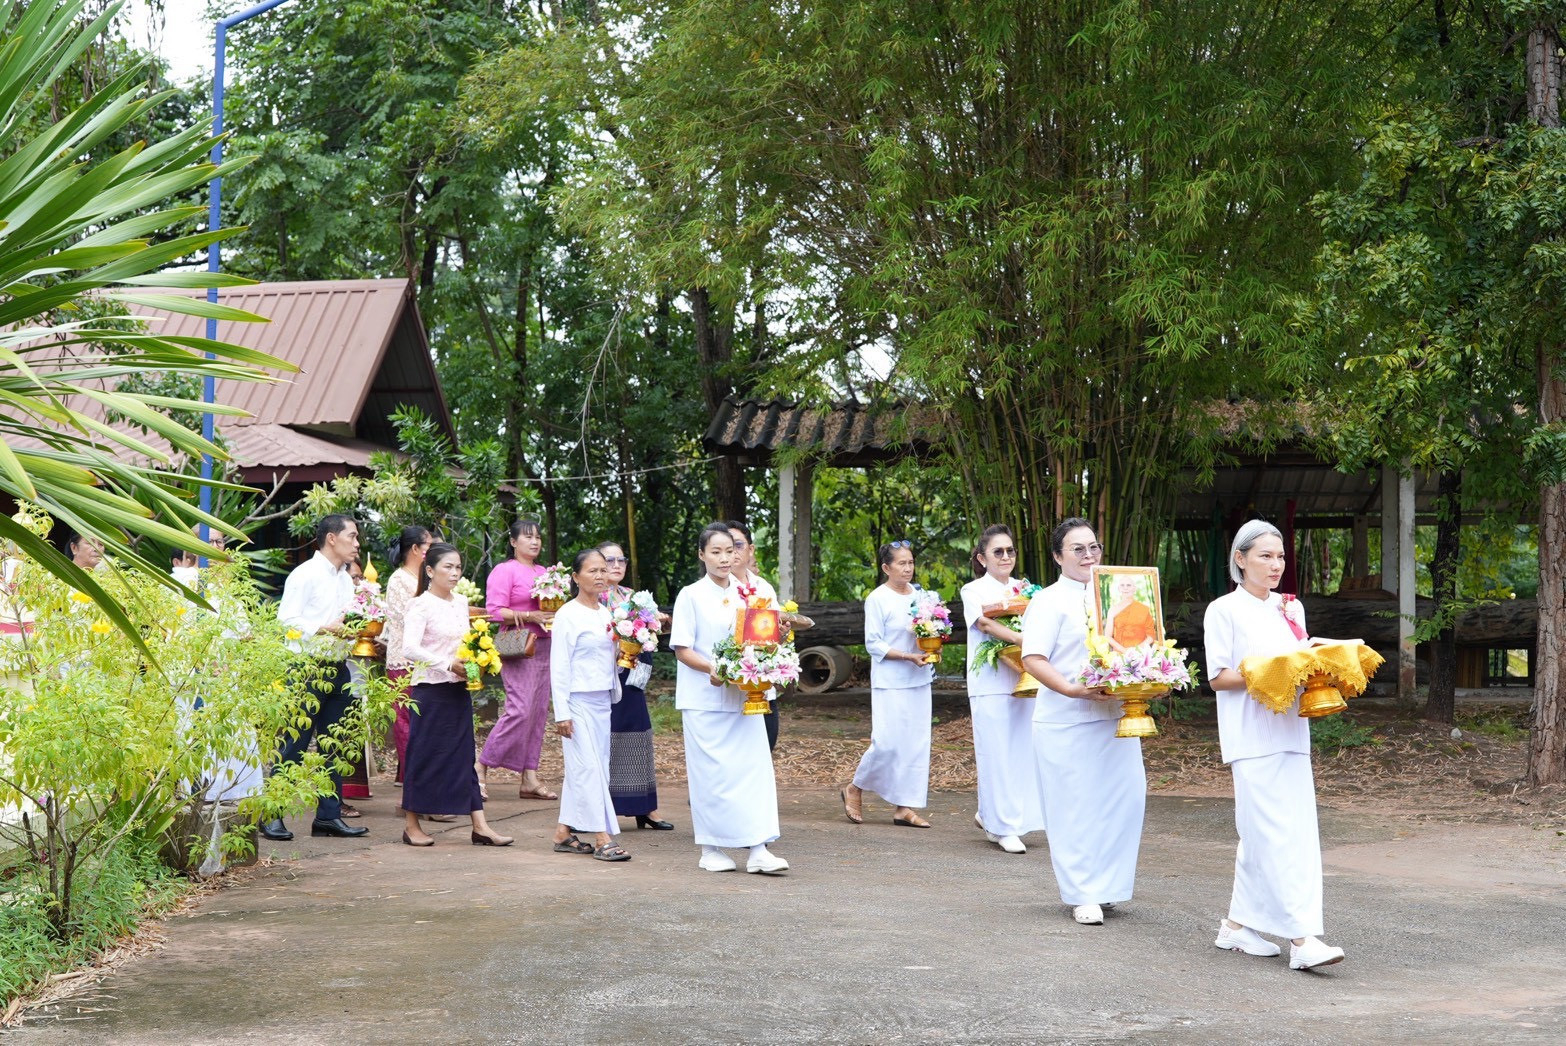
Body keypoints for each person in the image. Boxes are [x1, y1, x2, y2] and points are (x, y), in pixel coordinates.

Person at [1204, 519, 1345, 970]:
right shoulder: (1222, 610)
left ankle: (1235, 926)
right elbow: (1217, 678)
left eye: (1280, 556)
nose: (1275, 564)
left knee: (1279, 834)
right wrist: (1266, 668)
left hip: (1291, 733)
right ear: (1240, 560)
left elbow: (1300, 667)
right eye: (1264, 556)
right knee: (1276, 837)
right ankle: (1303, 941)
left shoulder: (1292, 609)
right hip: (1250, 737)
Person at [1020, 518, 1145, 926]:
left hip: (1116, 715)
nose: (1089, 556)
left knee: (1121, 801)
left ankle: (1107, 887)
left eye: (1094, 547)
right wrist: (1072, 690)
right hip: (1065, 719)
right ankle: (1081, 893)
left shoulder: (1119, 596)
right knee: (1072, 806)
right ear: (1058, 556)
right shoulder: (1049, 601)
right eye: (1078, 549)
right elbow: (1033, 658)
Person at [670, 522, 788, 874]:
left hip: (747, 697)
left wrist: (776, 640)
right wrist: (713, 668)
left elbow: (763, 642)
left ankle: (759, 849)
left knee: (754, 771)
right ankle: (711, 848)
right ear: (702, 555)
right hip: (704, 699)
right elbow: (682, 649)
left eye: (730, 551)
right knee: (712, 775)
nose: (724, 558)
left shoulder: (751, 593)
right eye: (716, 552)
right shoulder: (690, 595)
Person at [260, 515, 369, 841]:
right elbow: (285, 622)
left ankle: (328, 816)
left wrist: (356, 631)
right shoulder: (304, 574)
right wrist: (324, 627)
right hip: (305, 668)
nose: (357, 543)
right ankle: (271, 815)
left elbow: (346, 620)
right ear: (332, 538)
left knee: (335, 745)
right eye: (352, 536)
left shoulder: (345, 580)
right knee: (293, 744)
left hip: (339, 666)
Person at [398, 542, 513, 848]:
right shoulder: (419, 605)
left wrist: (479, 660)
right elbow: (409, 648)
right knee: (423, 756)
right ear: (430, 570)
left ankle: (480, 825)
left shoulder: (460, 602)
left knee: (465, 756)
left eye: (458, 567)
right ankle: (411, 825)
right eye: (448, 567)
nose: (454, 573)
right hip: (429, 691)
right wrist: (447, 663)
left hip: (458, 689)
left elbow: (469, 641)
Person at [960, 524, 1045, 854]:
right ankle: (1002, 827)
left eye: (1010, 550)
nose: (1006, 556)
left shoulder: (1025, 589)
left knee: (1021, 752)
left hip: (1025, 679)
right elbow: (984, 623)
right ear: (982, 558)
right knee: (994, 753)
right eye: (998, 551)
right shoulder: (973, 590)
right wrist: (1023, 639)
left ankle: (998, 816)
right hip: (990, 682)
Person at [843, 541, 934, 828]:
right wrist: (907, 656)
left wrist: (935, 644)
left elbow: (932, 629)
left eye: (911, 562)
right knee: (887, 743)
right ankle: (855, 787)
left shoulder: (923, 596)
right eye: (901, 564)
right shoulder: (878, 598)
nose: (908, 568)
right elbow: (873, 643)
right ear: (886, 567)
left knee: (915, 745)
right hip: (891, 680)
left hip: (919, 678)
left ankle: (903, 807)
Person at [548, 549, 631, 861]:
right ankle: (601, 837)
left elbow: (611, 662)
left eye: (603, 570)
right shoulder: (567, 615)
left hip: (603, 701)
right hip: (577, 701)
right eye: (593, 570)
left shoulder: (607, 614)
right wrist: (562, 713)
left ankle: (563, 832)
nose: (600, 575)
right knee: (589, 769)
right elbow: (559, 667)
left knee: (590, 770)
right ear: (576, 577)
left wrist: (627, 654)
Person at [479, 518, 559, 801]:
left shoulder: (546, 572)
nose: (534, 541)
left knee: (537, 713)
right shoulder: (505, 570)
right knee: (520, 709)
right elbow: (494, 611)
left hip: (546, 645)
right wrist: (528, 616)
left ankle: (529, 777)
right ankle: (480, 767)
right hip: (517, 645)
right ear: (513, 542)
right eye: (527, 537)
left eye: (537, 536)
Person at [599, 540, 672, 830]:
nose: (617, 566)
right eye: (610, 560)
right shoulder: (594, 597)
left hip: (634, 675)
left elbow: (650, 630)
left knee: (638, 733)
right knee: (607, 738)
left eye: (621, 560)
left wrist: (657, 621)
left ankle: (645, 807)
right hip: (605, 675)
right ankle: (600, 809)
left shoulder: (631, 595)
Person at [725, 520, 783, 750]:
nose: (732, 552)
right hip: (730, 688)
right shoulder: (715, 588)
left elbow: (774, 633)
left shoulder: (764, 587)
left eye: (737, 545)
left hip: (762, 686)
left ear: (751, 549)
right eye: (726, 547)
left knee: (765, 749)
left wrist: (783, 631)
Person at [383, 525, 432, 786]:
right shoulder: (399, 580)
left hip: (429, 660)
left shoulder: (427, 578)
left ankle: (421, 782)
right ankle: (416, 785)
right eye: (429, 547)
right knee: (405, 724)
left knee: (425, 725)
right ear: (415, 549)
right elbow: (408, 617)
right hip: (403, 660)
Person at [1107, 575, 1158, 653]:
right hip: (1119, 654)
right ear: (1119, 588)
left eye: (1128, 585)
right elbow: (1108, 636)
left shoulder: (1143, 609)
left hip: (1140, 653)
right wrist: (1124, 651)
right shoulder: (1112, 610)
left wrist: (1136, 650)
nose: (1125, 588)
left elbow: (1151, 636)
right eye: (1122, 585)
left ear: (1134, 589)